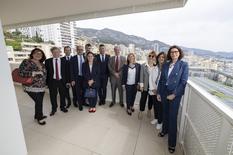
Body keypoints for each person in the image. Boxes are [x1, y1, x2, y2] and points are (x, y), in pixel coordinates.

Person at [157, 45, 189, 153]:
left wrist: (174, 94)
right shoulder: (166, 64)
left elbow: (183, 82)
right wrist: (159, 93)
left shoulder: (183, 65)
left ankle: (172, 143)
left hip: (174, 95)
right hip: (164, 91)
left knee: (172, 118)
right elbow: (161, 80)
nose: (174, 53)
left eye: (176, 52)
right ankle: (164, 130)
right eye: (171, 52)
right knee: (165, 113)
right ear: (170, 54)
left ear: (179, 53)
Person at [19, 48, 47, 125]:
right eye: (36, 53)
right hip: (31, 87)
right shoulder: (27, 62)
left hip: (41, 87)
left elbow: (44, 75)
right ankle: (39, 118)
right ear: (32, 54)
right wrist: (33, 73)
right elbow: (21, 73)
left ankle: (37, 115)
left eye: (40, 54)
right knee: (38, 102)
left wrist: (46, 84)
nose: (38, 55)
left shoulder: (42, 64)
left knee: (39, 102)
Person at [45, 47, 68, 116]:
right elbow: (46, 73)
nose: (56, 53)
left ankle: (62, 107)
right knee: (53, 96)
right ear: (52, 53)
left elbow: (67, 73)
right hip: (52, 81)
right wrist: (46, 83)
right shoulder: (47, 61)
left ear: (59, 52)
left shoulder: (64, 61)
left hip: (62, 81)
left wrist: (68, 81)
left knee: (63, 95)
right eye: (54, 52)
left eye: (57, 52)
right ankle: (54, 109)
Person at [138, 51, 157, 120]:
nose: (151, 57)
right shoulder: (143, 65)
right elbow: (141, 76)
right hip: (145, 86)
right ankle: (141, 111)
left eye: (153, 56)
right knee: (143, 99)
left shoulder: (156, 66)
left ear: (155, 57)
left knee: (151, 100)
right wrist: (141, 86)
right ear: (148, 57)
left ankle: (149, 110)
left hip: (153, 87)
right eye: (150, 56)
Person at [150, 52, 166, 130]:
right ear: (157, 58)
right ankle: (156, 118)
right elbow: (150, 79)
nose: (161, 58)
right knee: (155, 106)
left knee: (160, 107)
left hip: (161, 92)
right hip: (154, 90)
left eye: (163, 57)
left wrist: (159, 91)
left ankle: (160, 122)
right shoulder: (154, 68)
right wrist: (152, 88)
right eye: (160, 57)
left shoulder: (166, 69)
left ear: (165, 58)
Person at [70, 45, 86, 111]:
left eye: (81, 49)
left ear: (83, 50)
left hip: (84, 78)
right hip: (76, 78)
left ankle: (83, 102)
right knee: (78, 91)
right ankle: (80, 105)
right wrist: (72, 79)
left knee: (84, 91)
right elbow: (71, 70)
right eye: (79, 49)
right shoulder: (73, 58)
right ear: (77, 50)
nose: (80, 51)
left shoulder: (86, 58)